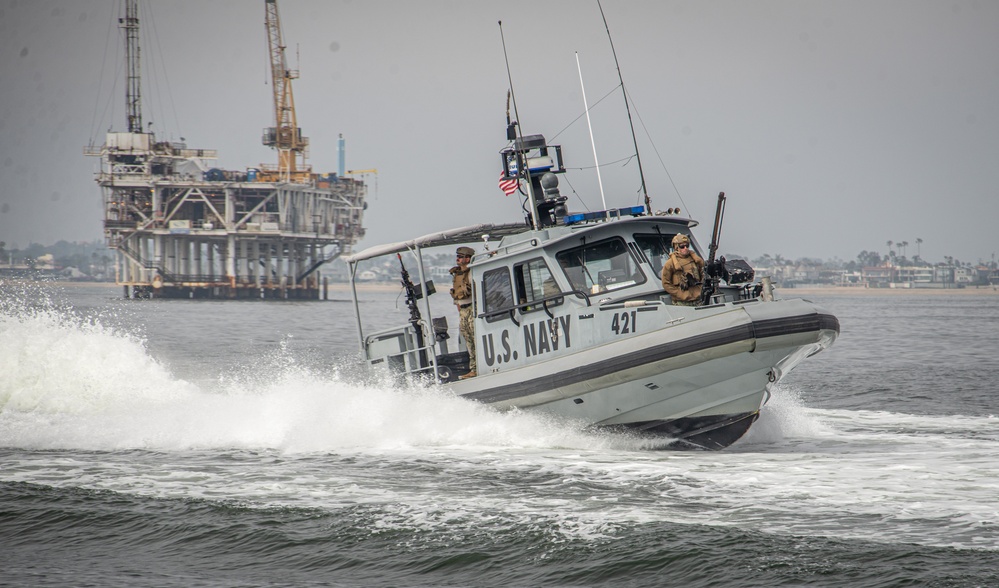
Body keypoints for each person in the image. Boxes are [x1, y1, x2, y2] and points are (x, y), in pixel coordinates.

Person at [450, 246, 476, 379]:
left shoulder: (473, 272)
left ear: (467, 258)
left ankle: (478, 367)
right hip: (463, 310)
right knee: (468, 340)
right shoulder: (457, 274)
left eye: (460, 256)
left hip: (473, 308)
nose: (458, 259)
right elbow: (456, 295)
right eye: (457, 256)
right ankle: (474, 369)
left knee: (475, 337)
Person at [661, 234, 705, 306]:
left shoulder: (695, 261)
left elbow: (702, 276)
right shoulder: (670, 263)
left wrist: (701, 289)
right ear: (676, 247)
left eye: (687, 246)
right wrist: (679, 293)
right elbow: (666, 283)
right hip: (681, 303)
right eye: (682, 246)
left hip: (698, 300)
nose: (685, 248)